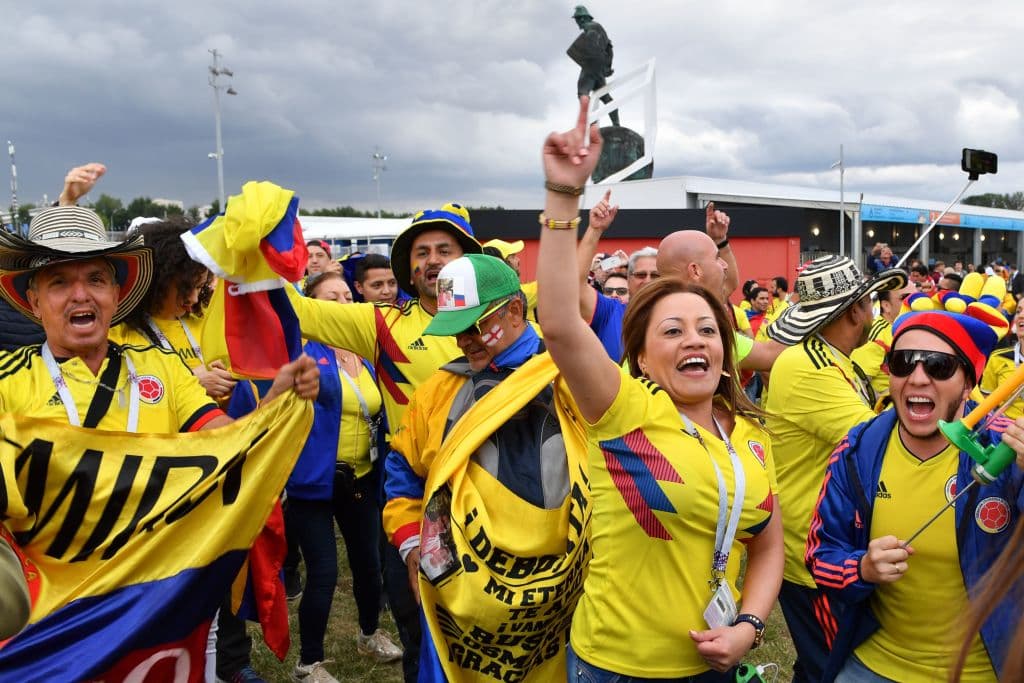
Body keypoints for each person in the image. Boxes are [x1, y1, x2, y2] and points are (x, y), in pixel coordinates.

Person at [0, 204, 318, 671]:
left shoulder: (161, 369)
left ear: (115, 292)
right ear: (33, 302)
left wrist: (278, 402)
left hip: (165, 597)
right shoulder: (7, 384)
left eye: (95, 278)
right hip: (55, 616)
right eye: (59, 282)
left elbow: (225, 447)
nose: (79, 294)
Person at [538, 99, 782, 681]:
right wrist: (563, 198)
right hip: (615, 667)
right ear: (641, 356)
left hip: (712, 667)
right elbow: (559, 323)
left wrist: (749, 627)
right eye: (671, 331)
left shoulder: (750, 438)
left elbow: (768, 544)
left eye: (706, 330)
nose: (693, 341)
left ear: (726, 351)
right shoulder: (624, 409)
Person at [286, 203, 482, 682]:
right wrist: (255, 253)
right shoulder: (380, 325)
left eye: (444, 249)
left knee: (486, 629)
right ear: (408, 269)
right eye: (420, 252)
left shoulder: (505, 325)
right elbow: (295, 310)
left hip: (493, 494)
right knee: (418, 629)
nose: (431, 260)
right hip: (415, 500)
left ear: (470, 258)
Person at [383, 254, 590, 681]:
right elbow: (403, 473)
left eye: (474, 327)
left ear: (515, 310)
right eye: (455, 330)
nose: (464, 341)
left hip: (565, 597)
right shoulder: (437, 392)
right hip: (464, 602)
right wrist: (412, 547)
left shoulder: (577, 379)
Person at [806, 308, 1024, 682]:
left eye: (939, 366)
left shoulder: (1009, 449)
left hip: (986, 671)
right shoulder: (859, 449)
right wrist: (861, 568)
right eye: (903, 362)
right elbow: (820, 555)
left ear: (968, 385)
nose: (918, 377)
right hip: (874, 666)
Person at [762, 255, 907, 683]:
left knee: (820, 664)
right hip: (814, 550)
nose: (874, 310)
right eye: (869, 301)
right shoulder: (808, 367)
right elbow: (876, 440)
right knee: (834, 668)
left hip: (825, 541)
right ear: (855, 311)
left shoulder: (830, 357)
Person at [283, 271, 401, 683]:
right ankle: (308, 663)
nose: (344, 303)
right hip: (313, 483)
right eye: (331, 297)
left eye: (348, 296)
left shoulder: (367, 351)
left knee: (369, 565)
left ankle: (369, 634)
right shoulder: (301, 351)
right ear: (312, 305)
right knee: (325, 572)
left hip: (363, 480)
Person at [851, 282, 915, 401]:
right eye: (905, 298)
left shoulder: (913, 329)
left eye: (916, 297)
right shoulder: (875, 337)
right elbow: (856, 384)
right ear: (886, 306)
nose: (914, 303)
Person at [568, 6, 618, 126]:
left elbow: (593, 48)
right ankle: (616, 123)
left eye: (578, 19)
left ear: (584, 18)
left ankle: (592, 121)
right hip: (599, 69)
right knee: (605, 96)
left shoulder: (589, 28)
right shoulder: (599, 27)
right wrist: (607, 66)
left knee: (582, 92)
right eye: (576, 20)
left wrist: (591, 61)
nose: (578, 23)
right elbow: (609, 48)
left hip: (590, 66)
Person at [979, 310, 1024, 419]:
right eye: (1018, 311)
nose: (1021, 315)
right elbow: (985, 403)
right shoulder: (998, 358)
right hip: (1004, 430)